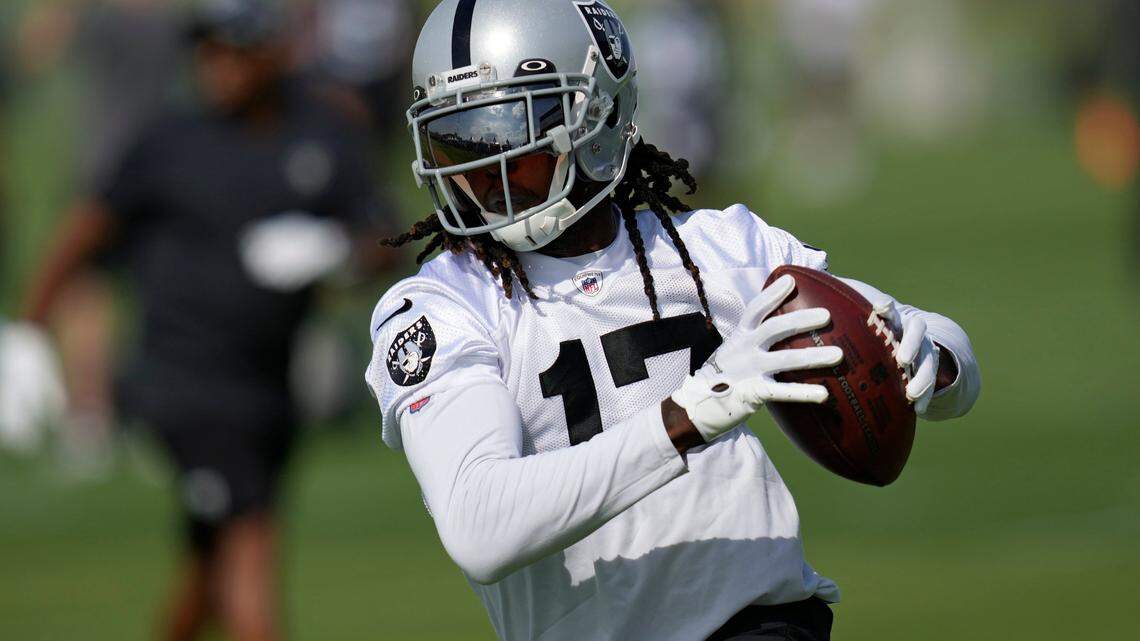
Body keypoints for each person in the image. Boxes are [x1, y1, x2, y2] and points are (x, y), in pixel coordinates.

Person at [364, 1, 981, 640]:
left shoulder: (716, 248)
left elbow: (946, 360)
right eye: (456, 144)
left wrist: (930, 359)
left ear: (593, 116)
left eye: (510, 142)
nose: (483, 175)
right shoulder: (441, 306)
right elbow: (479, 528)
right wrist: (690, 413)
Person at [14, 1, 397, 639]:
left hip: (267, 392)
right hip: (185, 385)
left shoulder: (323, 132)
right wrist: (28, 330)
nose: (216, 63)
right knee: (248, 553)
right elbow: (82, 233)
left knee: (208, 566)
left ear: (274, 49)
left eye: (233, 47)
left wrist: (337, 252)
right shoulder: (168, 141)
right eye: (206, 47)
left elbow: (386, 239)